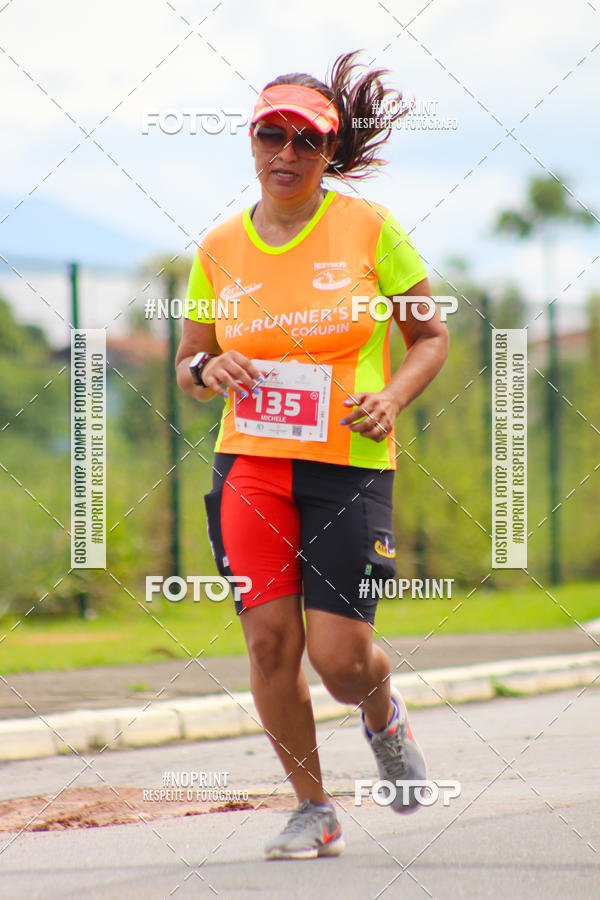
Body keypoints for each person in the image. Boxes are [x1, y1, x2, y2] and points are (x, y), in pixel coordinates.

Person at [176, 51, 449, 860]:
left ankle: (380, 709)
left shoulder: (369, 228)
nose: (286, 155)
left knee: (337, 660)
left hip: (349, 464)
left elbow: (430, 335)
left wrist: (393, 397)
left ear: (330, 152)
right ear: (252, 142)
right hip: (251, 463)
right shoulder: (219, 246)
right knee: (267, 642)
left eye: (305, 141)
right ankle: (313, 807)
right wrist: (205, 368)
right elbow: (190, 360)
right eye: (271, 136)